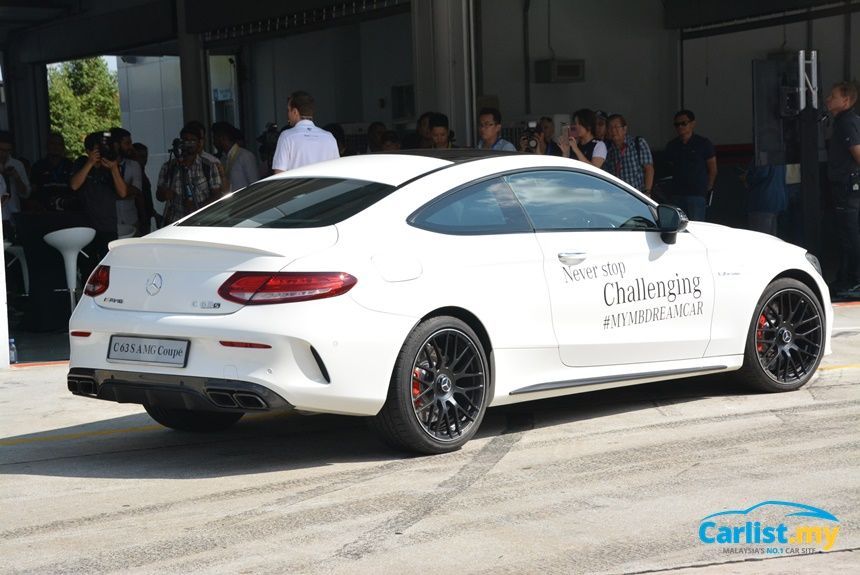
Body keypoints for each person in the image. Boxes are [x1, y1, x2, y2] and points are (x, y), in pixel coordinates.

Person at [69, 131, 129, 265]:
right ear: (88, 150)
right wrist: (90, 163)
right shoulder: (82, 163)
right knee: (87, 270)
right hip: (86, 229)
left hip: (108, 227)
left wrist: (114, 169)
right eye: (98, 149)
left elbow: (123, 193)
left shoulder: (111, 166)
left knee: (107, 269)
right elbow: (74, 185)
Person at [824, 81, 860, 297]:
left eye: (833, 96)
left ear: (845, 100)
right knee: (848, 233)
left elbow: (856, 152)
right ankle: (845, 278)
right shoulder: (852, 120)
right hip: (848, 187)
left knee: (849, 235)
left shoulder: (846, 123)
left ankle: (854, 280)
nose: (828, 99)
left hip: (847, 189)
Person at [156, 126, 222, 225]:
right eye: (186, 140)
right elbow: (159, 195)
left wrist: (197, 207)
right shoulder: (169, 167)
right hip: (176, 222)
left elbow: (217, 196)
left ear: (199, 143)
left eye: (193, 140)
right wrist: (165, 194)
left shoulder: (209, 166)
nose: (189, 144)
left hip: (202, 222)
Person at [664, 109, 717, 221]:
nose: (680, 127)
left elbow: (713, 168)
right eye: (677, 124)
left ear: (693, 124)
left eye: (684, 123)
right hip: (677, 194)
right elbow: (669, 167)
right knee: (677, 228)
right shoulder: (672, 146)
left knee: (696, 227)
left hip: (697, 194)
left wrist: (708, 188)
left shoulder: (703, 143)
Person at [272, 91, 340, 173]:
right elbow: (336, 172)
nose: (288, 115)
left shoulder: (286, 137)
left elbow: (279, 174)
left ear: (295, 112)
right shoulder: (329, 137)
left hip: (297, 186)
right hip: (325, 186)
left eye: (288, 110)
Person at [604, 114, 655, 195]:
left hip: (638, 195)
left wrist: (647, 192)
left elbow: (649, 169)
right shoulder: (608, 150)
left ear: (624, 129)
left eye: (616, 127)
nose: (613, 131)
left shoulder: (637, 143)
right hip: (618, 196)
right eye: (610, 128)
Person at [108, 127, 144, 237]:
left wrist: (115, 189)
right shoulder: (104, 166)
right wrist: (126, 191)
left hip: (132, 220)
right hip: (110, 223)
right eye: (127, 143)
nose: (131, 147)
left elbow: (137, 191)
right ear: (116, 145)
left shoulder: (134, 165)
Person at [29, 132, 77, 212]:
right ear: (47, 146)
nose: (56, 147)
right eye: (53, 143)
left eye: (59, 144)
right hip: (44, 210)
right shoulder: (38, 166)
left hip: (67, 210)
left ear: (63, 147)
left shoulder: (70, 165)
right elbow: (33, 190)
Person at [212, 122, 261, 191]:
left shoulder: (245, 156)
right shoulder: (223, 159)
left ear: (223, 138)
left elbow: (255, 185)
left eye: (215, 138)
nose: (213, 143)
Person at [0, 131, 32, 238]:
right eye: (1, 150)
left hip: (13, 215)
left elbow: (26, 194)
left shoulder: (17, 165)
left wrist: (16, 177)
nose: (4, 154)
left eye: (8, 150)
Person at [742, 163, 786, 236]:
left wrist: (747, 178)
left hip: (761, 202)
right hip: (776, 201)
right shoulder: (779, 155)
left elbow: (761, 174)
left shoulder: (763, 154)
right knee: (772, 239)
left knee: (760, 240)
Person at [132, 142, 157, 232]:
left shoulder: (142, 172)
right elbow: (138, 197)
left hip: (146, 217)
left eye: (145, 156)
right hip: (139, 219)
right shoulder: (134, 172)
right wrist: (143, 219)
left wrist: (153, 213)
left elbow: (146, 197)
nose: (144, 160)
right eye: (140, 156)